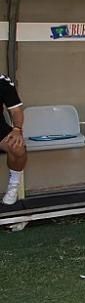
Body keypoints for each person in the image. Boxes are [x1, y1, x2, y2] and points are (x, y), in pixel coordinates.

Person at [0, 73, 26, 209]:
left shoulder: (2, 81)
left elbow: (16, 110)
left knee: (17, 147)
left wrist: (17, 129)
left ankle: (13, 186)